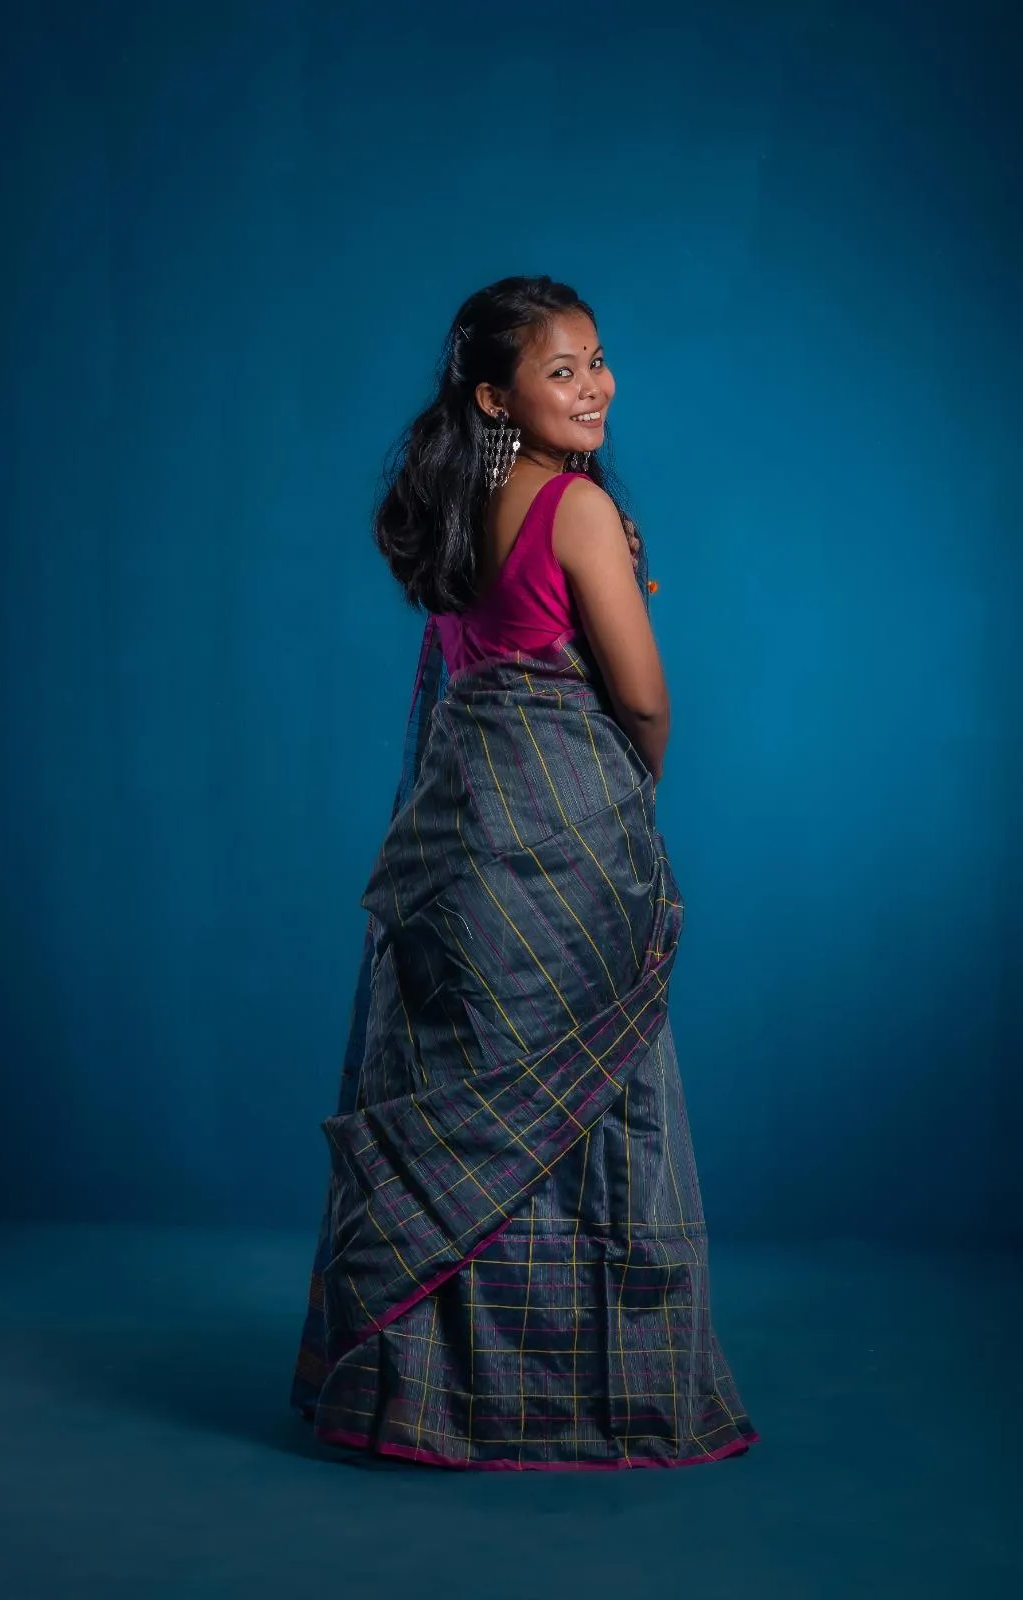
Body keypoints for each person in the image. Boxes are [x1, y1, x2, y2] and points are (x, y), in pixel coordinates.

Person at [290, 275, 757, 1471]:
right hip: (563, 841)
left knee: (464, 1096)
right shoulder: (574, 509)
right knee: (587, 1107)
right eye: (561, 369)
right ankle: (587, 1401)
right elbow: (640, 699)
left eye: (596, 359)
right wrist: (626, 785)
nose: (593, 385)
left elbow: (479, 657)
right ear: (496, 396)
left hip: (458, 844)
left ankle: (432, 1402)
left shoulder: (454, 503)